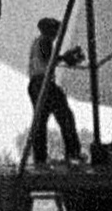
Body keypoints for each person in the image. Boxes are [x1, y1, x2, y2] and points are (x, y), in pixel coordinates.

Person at [27, 17, 85, 165]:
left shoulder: (38, 41)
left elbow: (48, 59)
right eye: (56, 31)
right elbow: (49, 59)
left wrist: (63, 58)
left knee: (40, 121)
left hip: (35, 84)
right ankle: (73, 153)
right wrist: (66, 57)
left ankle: (40, 158)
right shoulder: (45, 41)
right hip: (43, 83)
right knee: (65, 116)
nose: (57, 35)